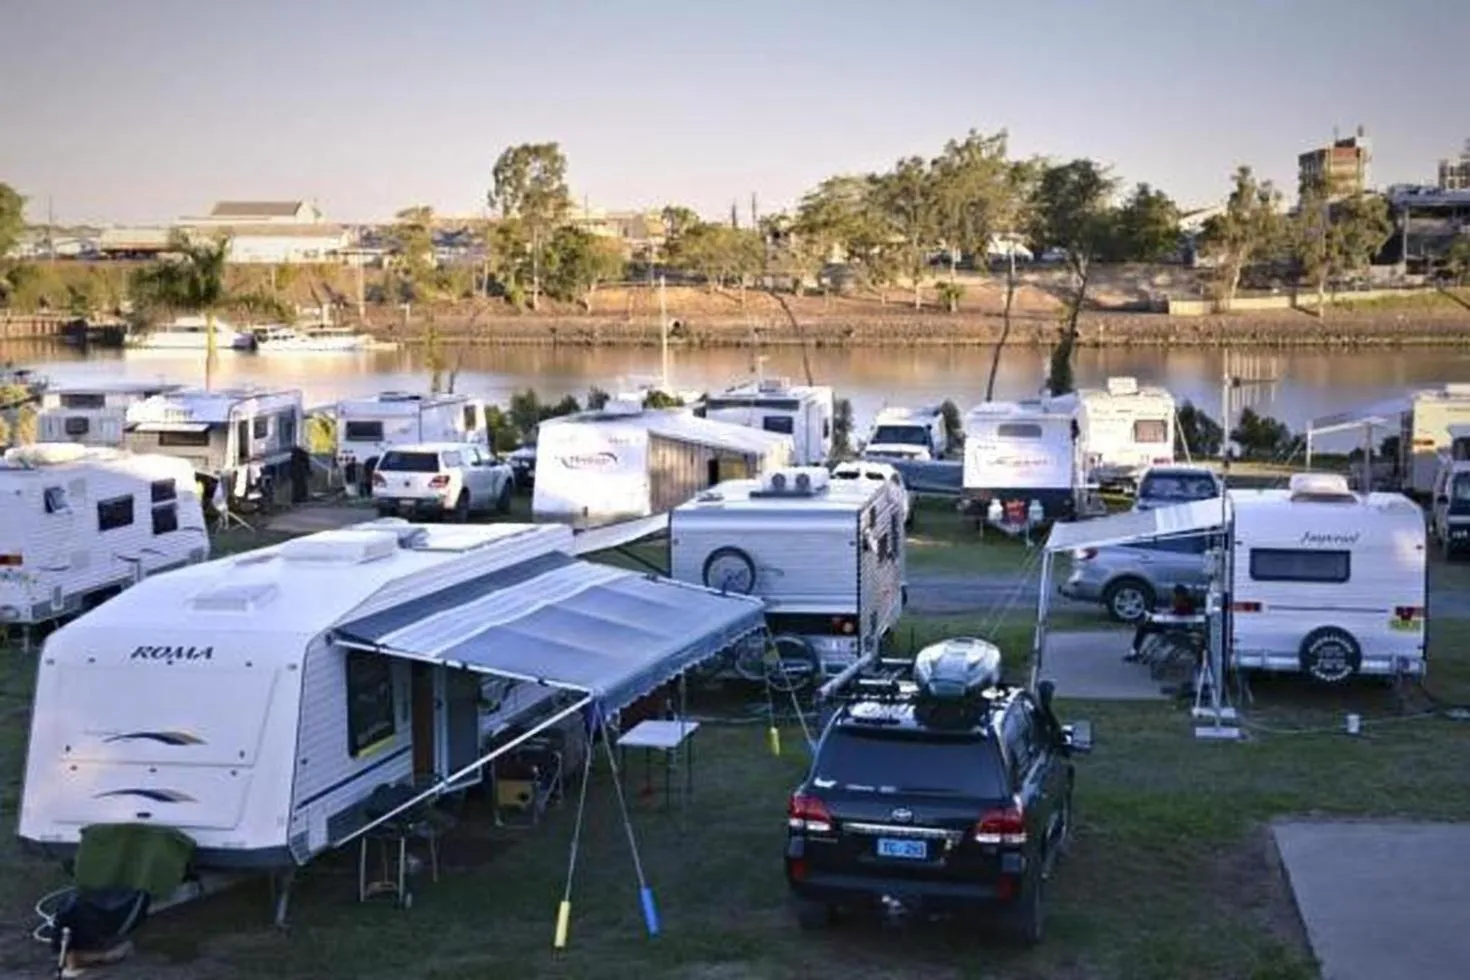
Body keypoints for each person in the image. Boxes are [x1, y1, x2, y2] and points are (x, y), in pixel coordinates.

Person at [1126, 584, 1197, 662]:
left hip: (1171, 628)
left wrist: (1166, 614)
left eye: (1175, 595)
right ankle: (1135, 648)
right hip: (1171, 624)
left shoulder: (1182, 603)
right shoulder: (1187, 603)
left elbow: (1177, 615)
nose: (1173, 596)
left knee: (1143, 628)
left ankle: (1134, 651)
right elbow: (1176, 613)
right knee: (1148, 619)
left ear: (1179, 594)